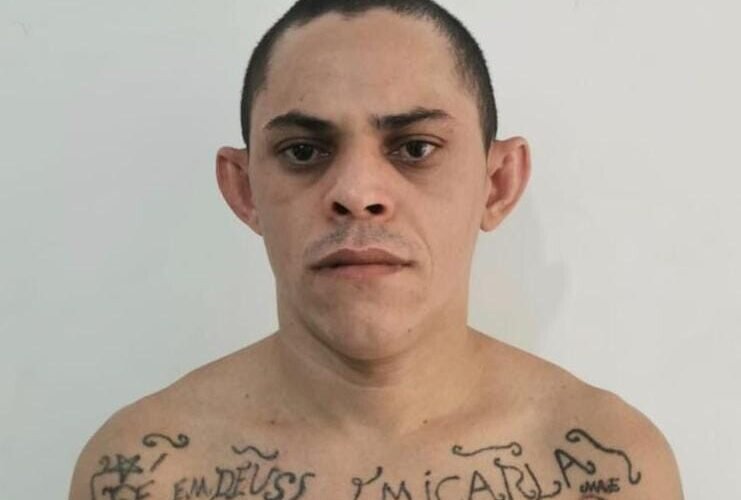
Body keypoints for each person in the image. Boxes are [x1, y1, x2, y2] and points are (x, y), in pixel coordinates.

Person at [69, 1, 684, 498]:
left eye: (415, 148)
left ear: (497, 184)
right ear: (245, 189)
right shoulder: (146, 472)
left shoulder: (607, 470)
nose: (358, 193)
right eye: (303, 152)